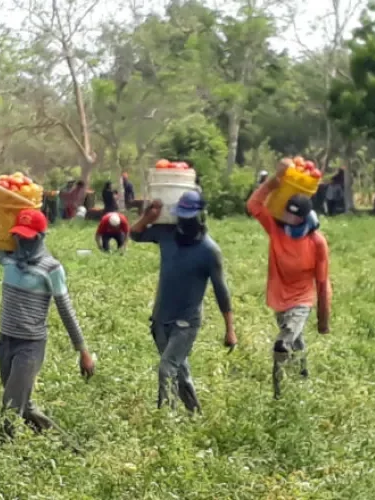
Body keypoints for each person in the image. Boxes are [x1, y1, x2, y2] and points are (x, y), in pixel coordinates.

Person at [0, 187, 96, 438]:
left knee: (10, 407)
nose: (23, 242)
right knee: (22, 404)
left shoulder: (51, 268)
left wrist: (83, 351)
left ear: (41, 237)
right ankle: (65, 445)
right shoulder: (9, 258)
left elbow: (65, 310)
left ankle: (2, 458)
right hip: (6, 341)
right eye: (20, 236)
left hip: (30, 346)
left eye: (29, 237)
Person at [130, 192, 236, 413]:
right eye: (182, 216)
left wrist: (230, 330)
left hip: (186, 322)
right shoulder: (167, 234)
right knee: (180, 370)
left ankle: (165, 420)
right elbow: (135, 234)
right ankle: (194, 413)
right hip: (160, 318)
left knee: (166, 368)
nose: (186, 222)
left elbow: (221, 291)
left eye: (190, 217)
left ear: (201, 216)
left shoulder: (209, 250)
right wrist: (148, 217)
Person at [247, 158, 332, 400]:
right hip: (279, 296)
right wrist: (275, 180)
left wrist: (323, 319)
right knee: (297, 343)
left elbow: (323, 284)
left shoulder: (316, 242)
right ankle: (299, 385)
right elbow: (254, 205)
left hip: (302, 298)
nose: (290, 219)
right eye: (287, 213)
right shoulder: (276, 229)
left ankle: (279, 392)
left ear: (305, 217)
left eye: (296, 217)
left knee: (285, 341)